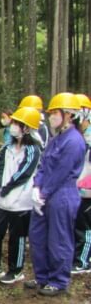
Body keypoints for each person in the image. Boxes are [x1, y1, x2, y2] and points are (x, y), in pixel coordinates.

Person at [28, 93, 86, 296]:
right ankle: (42, 276)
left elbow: (61, 171)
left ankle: (58, 280)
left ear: (68, 115)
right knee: (37, 236)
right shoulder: (56, 138)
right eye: (50, 112)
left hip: (62, 194)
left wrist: (43, 192)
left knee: (59, 238)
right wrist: (36, 187)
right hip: (45, 192)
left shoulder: (74, 141)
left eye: (55, 113)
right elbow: (44, 165)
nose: (51, 116)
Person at [0, 106, 41, 284]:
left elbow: (23, 174)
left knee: (17, 236)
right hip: (3, 201)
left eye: (17, 124)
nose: (13, 127)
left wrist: (3, 189)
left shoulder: (33, 150)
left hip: (21, 201)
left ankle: (16, 270)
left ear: (26, 128)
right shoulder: (8, 147)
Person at [72, 94, 91, 274]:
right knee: (76, 224)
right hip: (76, 188)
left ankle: (83, 261)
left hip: (87, 190)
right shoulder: (78, 136)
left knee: (84, 227)